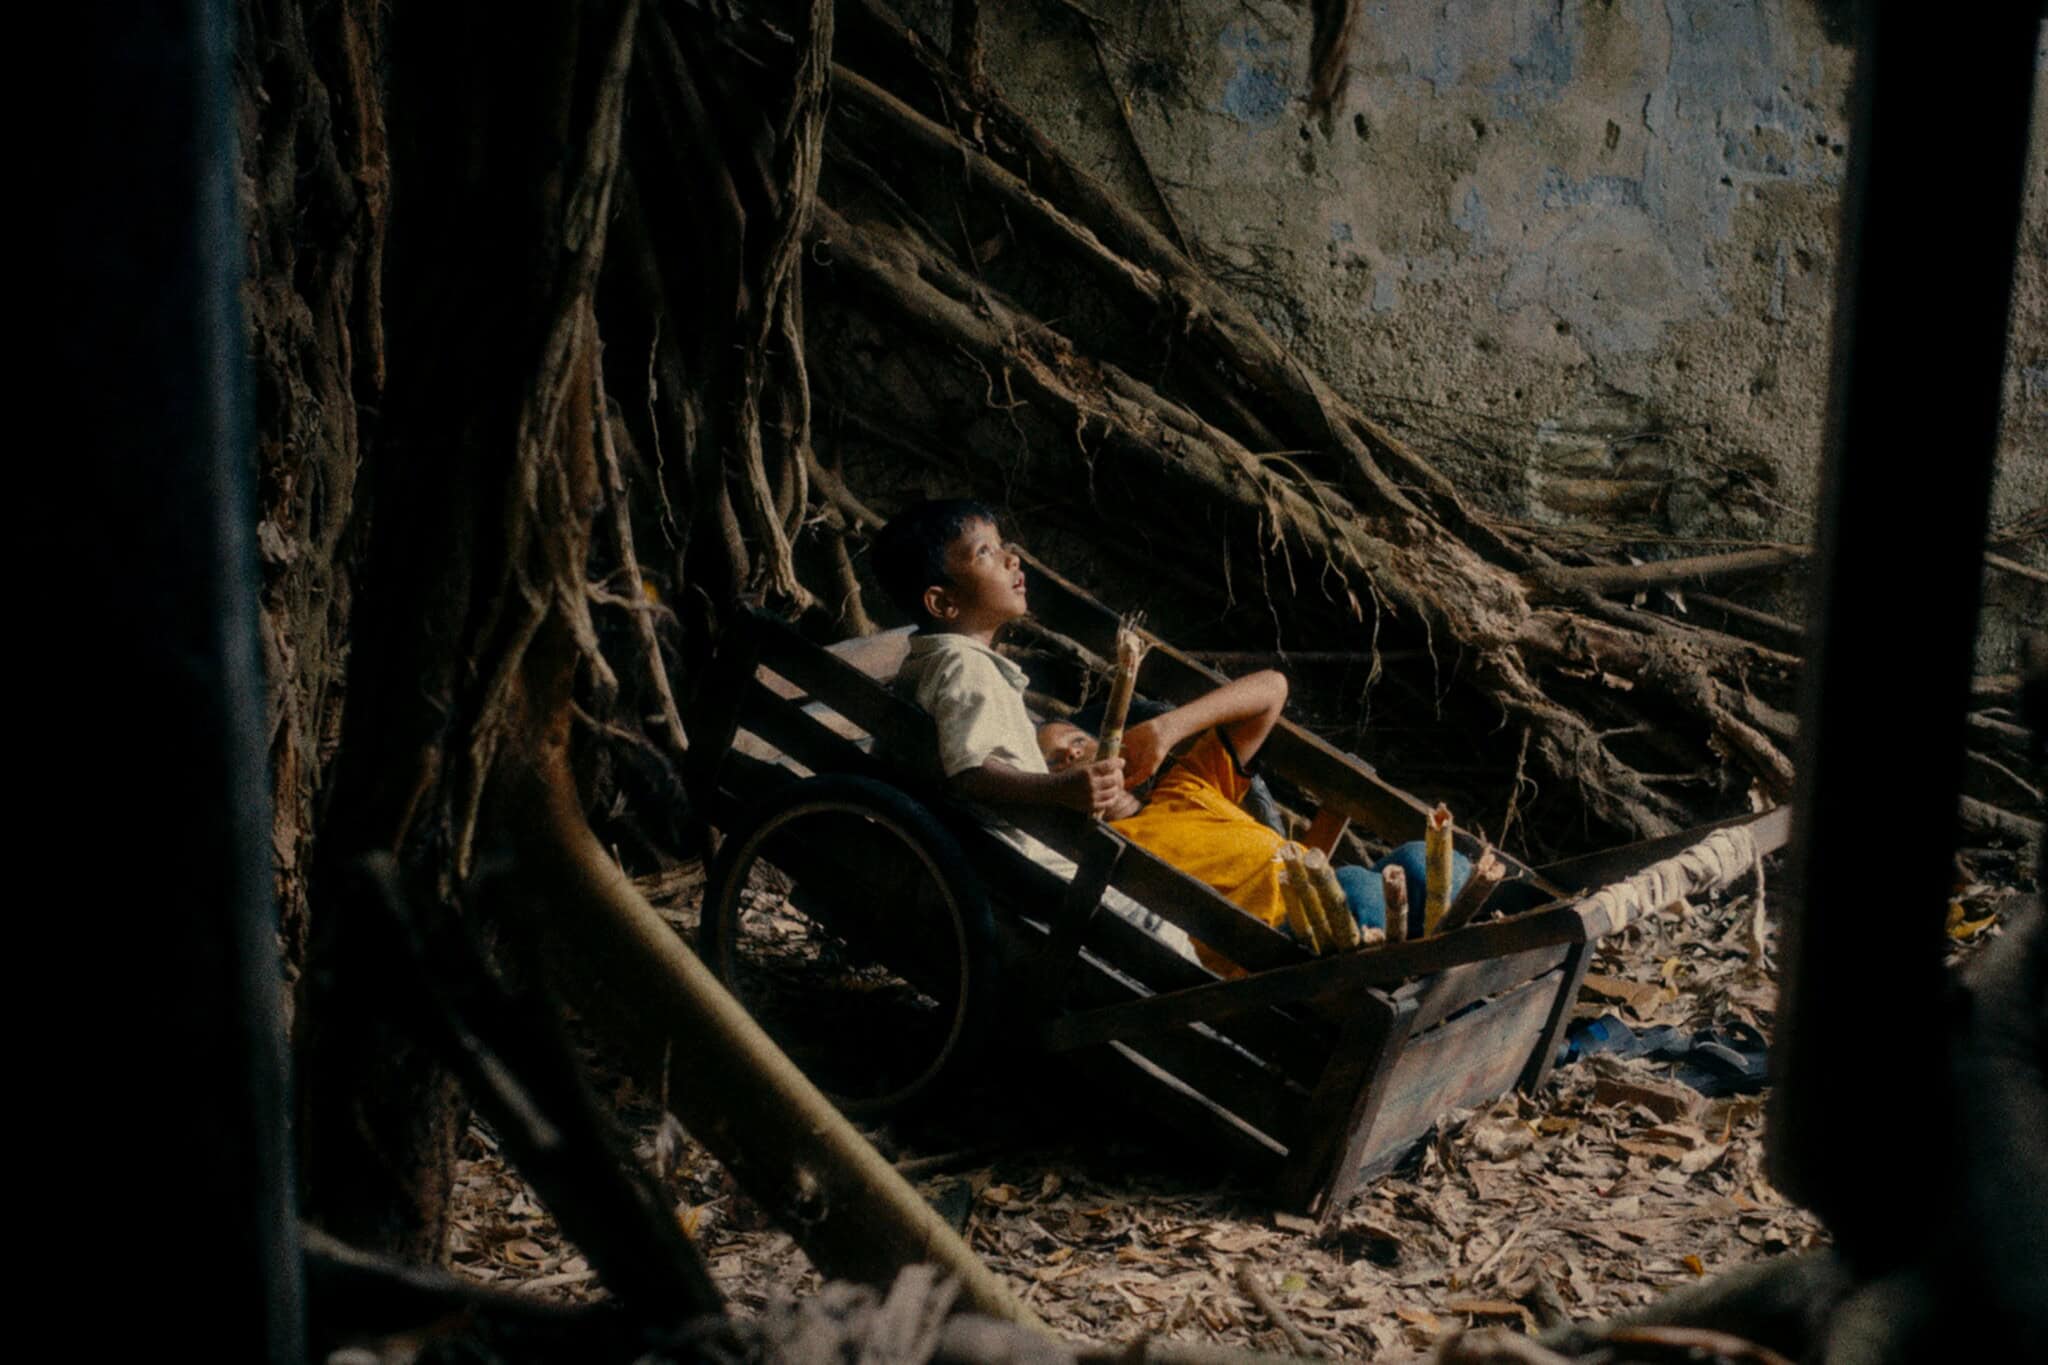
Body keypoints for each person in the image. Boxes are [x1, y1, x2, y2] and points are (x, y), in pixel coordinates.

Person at [870, 498, 1461, 965]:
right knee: (1388, 905)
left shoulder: (1185, 789)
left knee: (1426, 860)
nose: (1012, 560)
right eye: (986, 554)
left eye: (1080, 741)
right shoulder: (1120, 856)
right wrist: (1067, 794)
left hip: (1336, 896)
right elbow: (975, 772)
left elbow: (1272, 690)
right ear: (942, 601)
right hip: (1299, 930)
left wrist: (1165, 731)